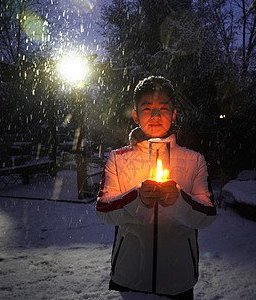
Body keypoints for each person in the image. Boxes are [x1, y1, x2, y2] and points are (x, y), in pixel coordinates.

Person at [96, 76, 216, 300]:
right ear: (135, 114)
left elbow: (208, 215)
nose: (155, 115)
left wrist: (179, 200)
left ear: (174, 114)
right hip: (130, 277)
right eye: (147, 107)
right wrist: (136, 199)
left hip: (178, 279)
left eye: (163, 108)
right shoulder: (117, 159)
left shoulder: (194, 161)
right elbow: (104, 210)